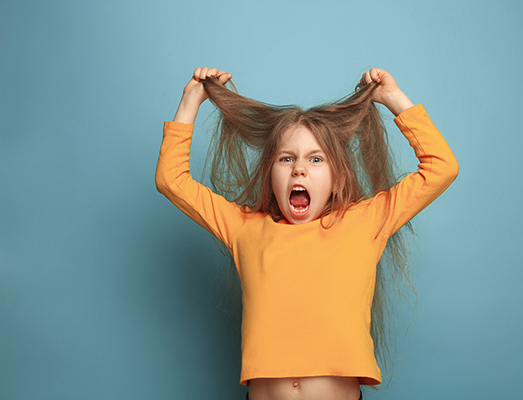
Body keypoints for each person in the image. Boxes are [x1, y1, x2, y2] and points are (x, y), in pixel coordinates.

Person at [156, 66, 459, 400]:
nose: (299, 168)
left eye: (316, 159)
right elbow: (171, 179)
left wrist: (392, 98)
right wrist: (191, 100)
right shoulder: (244, 227)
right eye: (286, 159)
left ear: (338, 178)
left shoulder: (365, 222)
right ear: (270, 175)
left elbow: (441, 166)